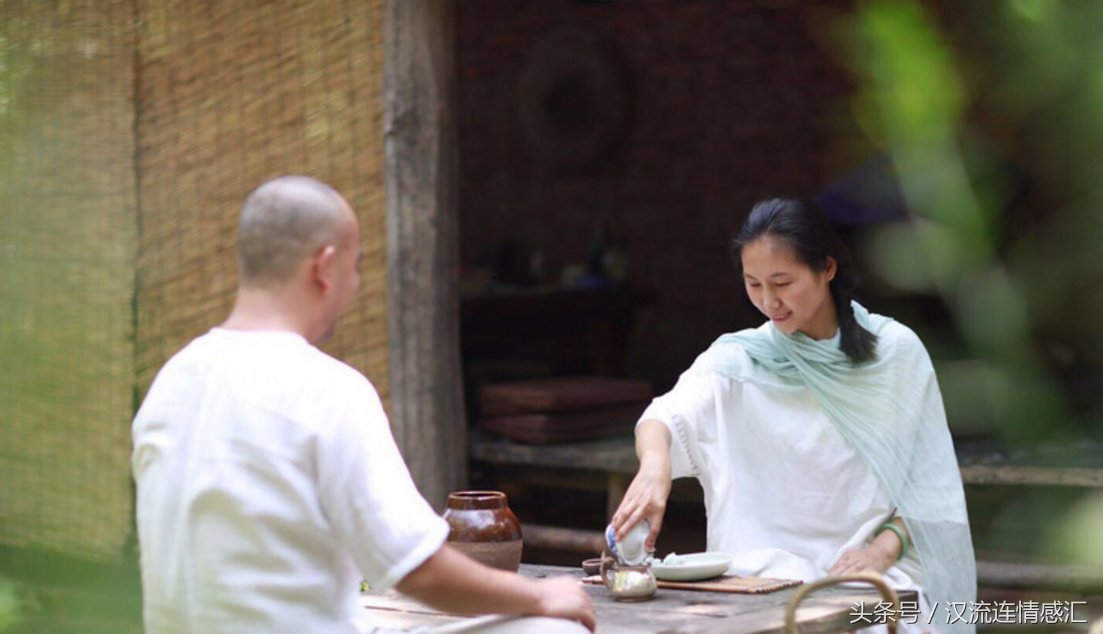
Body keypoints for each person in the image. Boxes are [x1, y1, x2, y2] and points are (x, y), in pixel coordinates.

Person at [131, 176, 595, 634]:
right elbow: (421, 572)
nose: (354, 286)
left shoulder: (170, 382)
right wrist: (543, 595)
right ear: (324, 267)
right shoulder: (325, 389)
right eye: (356, 267)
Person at [610, 198, 976, 633]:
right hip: (757, 579)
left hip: (871, 576)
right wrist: (655, 466)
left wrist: (881, 551)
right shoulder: (738, 360)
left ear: (827, 268)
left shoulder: (895, 354)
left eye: (782, 282)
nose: (769, 301)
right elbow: (664, 417)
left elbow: (930, 486)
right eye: (754, 284)